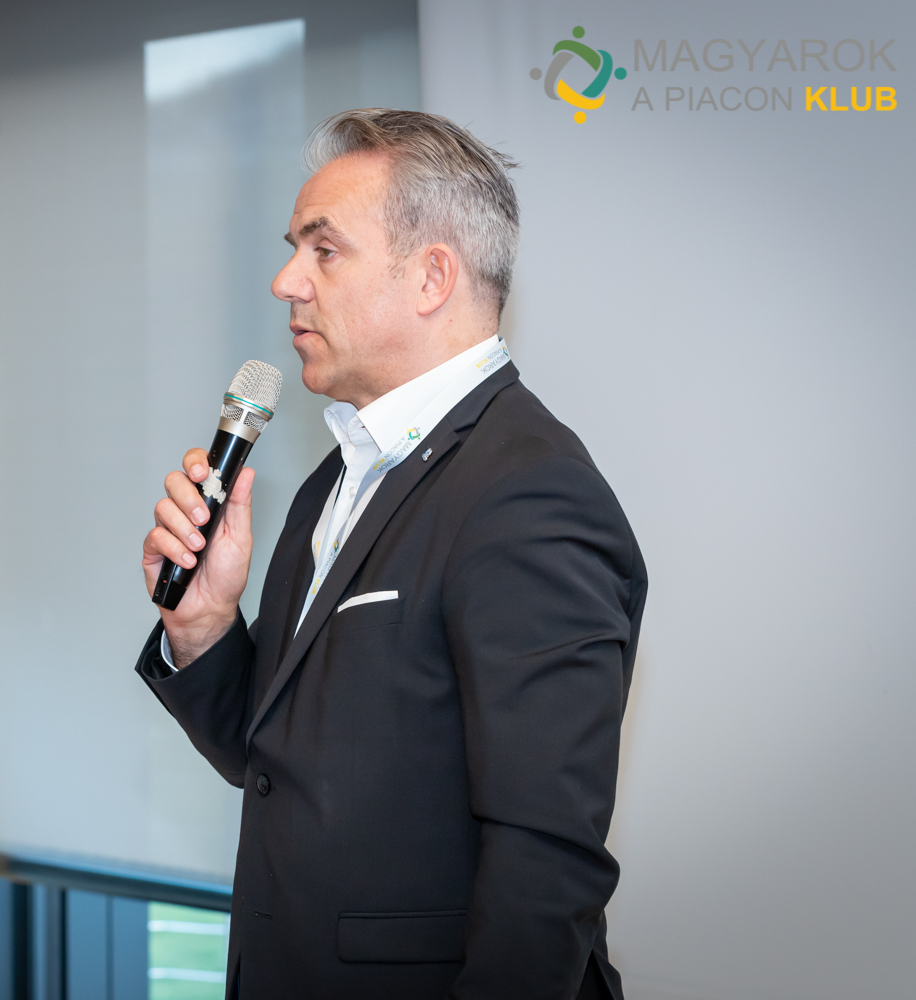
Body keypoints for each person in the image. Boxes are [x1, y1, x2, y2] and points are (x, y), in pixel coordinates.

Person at [136, 109, 647, 999]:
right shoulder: (339, 474)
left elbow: (546, 862)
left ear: (432, 277)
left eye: (323, 250)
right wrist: (206, 626)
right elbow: (280, 765)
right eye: (294, 249)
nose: (285, 281)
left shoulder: (529, 492)